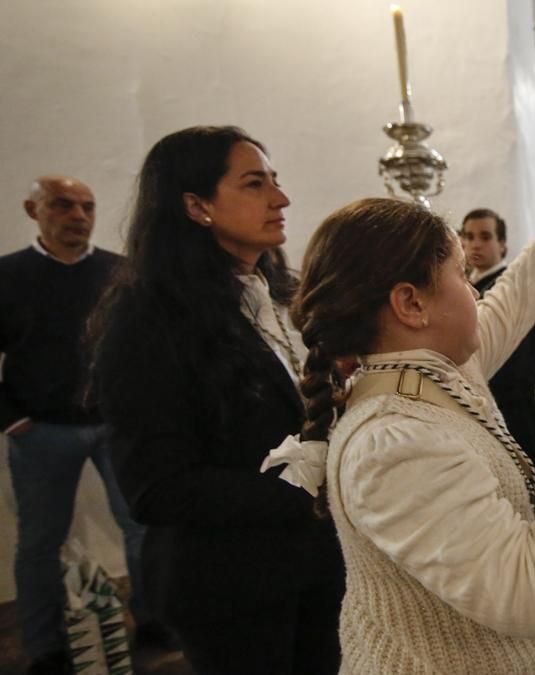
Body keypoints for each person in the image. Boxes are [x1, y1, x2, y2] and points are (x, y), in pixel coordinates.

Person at [269, 157, 535, 674]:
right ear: (411, 304)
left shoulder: (435, 372)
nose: (476, 293)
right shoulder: (393, 441)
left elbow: (517, 294)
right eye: (462, 277)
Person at [90, 126, 344, 674]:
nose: (281, 198)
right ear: (197, 205)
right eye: (255, 184)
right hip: (230, 584)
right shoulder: (148, 321)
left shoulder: (282, 296)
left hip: (314, 565)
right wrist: (306, 483)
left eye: (275, 181)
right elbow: (156, 488)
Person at [0, 176, 158, 673]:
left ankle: (153, 620)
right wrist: (11, 418)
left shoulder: (118, 272)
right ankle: (44, 647)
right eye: (64, 205)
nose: (79, 216)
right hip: (40, 430)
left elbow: (139, 347)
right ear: (34, 210)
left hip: (114, 425)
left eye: (87, 206)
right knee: (40, 543)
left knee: (141, 526)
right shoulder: (9, 275)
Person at [460, 208, 535, 506]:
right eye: (469, 237)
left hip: (511, 402)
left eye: (485, 237)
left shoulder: (506, 286)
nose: (475, 245)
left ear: (503, 245)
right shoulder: (467, 289)